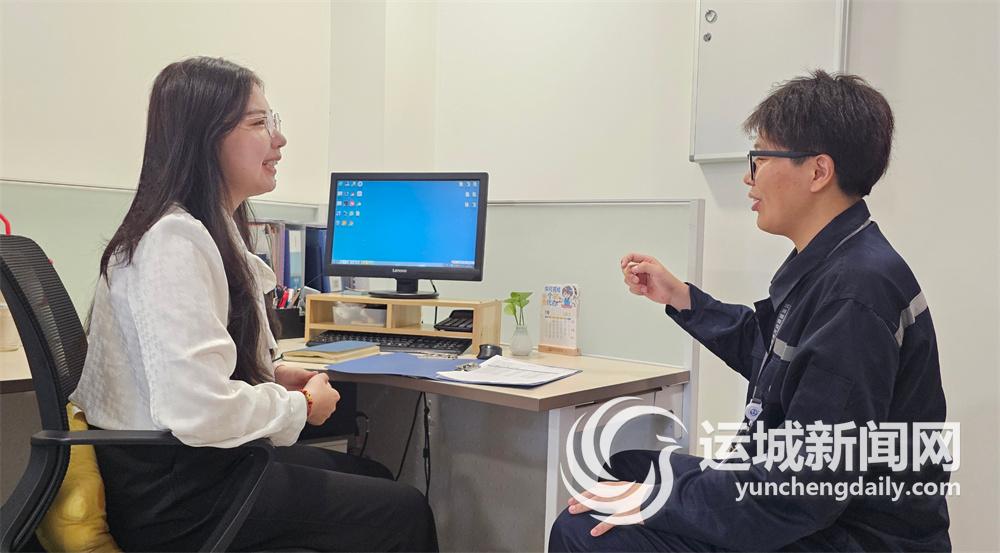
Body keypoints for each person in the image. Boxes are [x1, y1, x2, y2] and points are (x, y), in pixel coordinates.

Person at [548, 71, 951, 552]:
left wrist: (657, 502)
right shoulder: (836, 261)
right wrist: (682, 298)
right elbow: (771, 355)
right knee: (625, 467)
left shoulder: (855, 294)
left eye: (759, 158)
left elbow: (800, 492)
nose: (748, 176)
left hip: (845, 534)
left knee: (582, 530)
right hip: (802, 498)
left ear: (818, 172)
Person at [70, 57, 438, 552]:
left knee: (373, 476)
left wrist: (274, 374)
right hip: (180, 499)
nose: (278, 139)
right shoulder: (172, 243)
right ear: (206, 138)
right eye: (259, 123)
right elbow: (196, 409)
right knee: (405, 509)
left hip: (195, 470)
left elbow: (193, 371)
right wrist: (302, 405)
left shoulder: (202, 230)